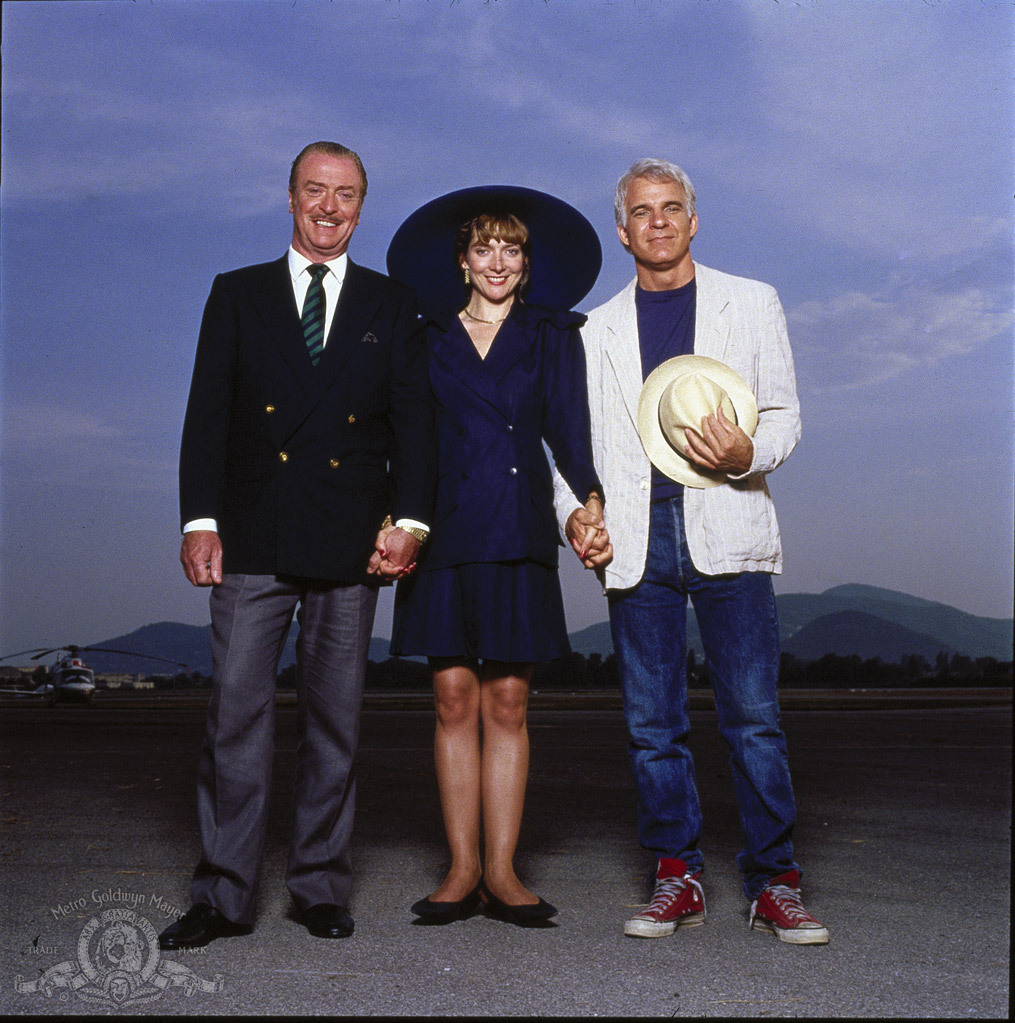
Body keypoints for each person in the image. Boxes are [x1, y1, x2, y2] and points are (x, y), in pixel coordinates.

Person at [160, 141, 435, 950]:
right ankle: (223, 893)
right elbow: (206, 411)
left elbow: (415, 426)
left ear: (361, 205)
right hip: (251, 534)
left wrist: (409, 522)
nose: (328, 207)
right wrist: (197, 519)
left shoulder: (393, 303)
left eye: (344, 194)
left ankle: (318, 885)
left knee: (335, 723)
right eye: (314, 190)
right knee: (234, 719)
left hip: (352, 539)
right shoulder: (237, 293)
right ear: (288, 198)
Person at [556, 158, 829, 945]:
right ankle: (675, 876)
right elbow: (566, 446)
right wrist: (576, 513)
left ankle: (775, 882)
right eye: (641, 211)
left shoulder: (751, 301)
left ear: (693, 218)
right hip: (636, 541)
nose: (658, 222)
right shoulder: (592, 328)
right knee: (652, 725)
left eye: (671, 208)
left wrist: (748, 449)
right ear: (622, 228)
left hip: (729, 523)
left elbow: (783, 414)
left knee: (753, 718)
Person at [385, 186, 611, 926]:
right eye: (482, 248)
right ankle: (461, 867)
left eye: (511, 249)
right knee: (453, 701)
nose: (497, 261)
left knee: (508, 703)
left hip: (517, 530)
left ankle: (506, 871)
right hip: (445, 531)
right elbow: (408, 443)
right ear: (460, 261)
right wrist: (398, 519)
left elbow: (570, 432)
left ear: (525, 262)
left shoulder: (552, 334)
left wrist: (589, 503)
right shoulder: (423, 339)